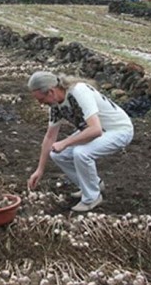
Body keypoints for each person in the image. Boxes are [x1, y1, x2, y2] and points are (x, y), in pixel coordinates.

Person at [26, 71, 134, 212]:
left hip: (119, 129)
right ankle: (92, 185)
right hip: (98, 128)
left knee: (81, 153)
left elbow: (95, 129)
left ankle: (92, 197)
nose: (41, 104)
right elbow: (49, 137)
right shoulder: (55, 105)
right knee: (57, 154)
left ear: (51, 91)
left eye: (41, 99)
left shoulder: (78, 92)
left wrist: (65, 142)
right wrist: (40, 169)